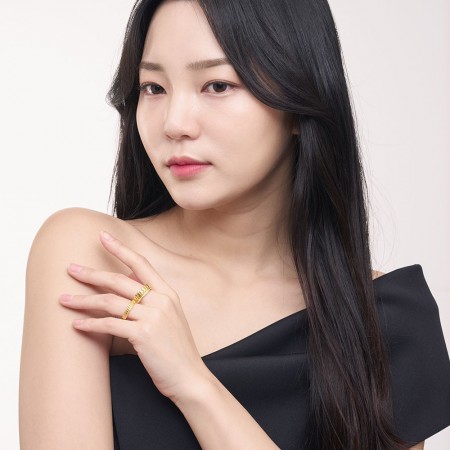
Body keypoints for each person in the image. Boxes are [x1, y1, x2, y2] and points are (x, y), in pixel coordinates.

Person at [19, 0, 450, 449]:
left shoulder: (386, 321)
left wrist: (194, 384)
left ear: (298, 99)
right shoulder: (97, 259)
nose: (174, 124)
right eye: (153, 87)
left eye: (217, 85)